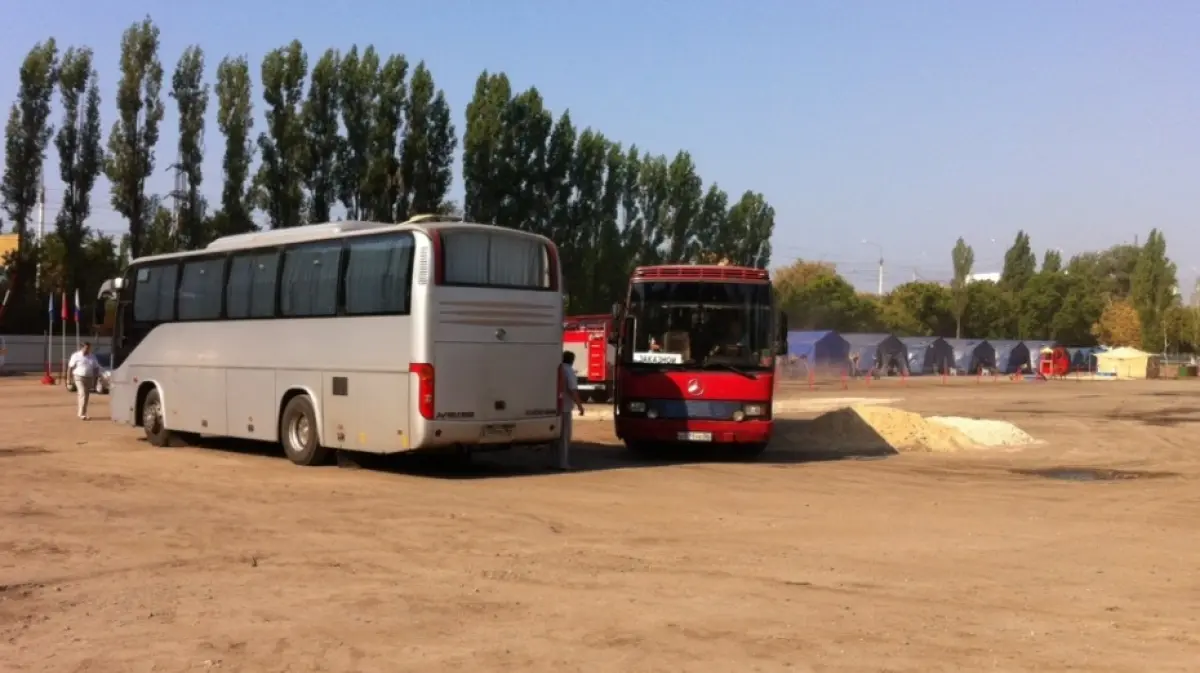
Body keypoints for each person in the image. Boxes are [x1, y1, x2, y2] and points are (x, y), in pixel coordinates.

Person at [556, 351, 585, 471]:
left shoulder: (558, 368)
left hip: (556, 406)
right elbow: (572, 390)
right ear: (572, 360)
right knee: (564, 437)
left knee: (556, 438)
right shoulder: (569, 371)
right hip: (565, 408)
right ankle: (563, 463)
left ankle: (553, 461)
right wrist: (580, 406)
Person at [67, 342, 100, 420]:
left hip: (89, 377)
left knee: (86, 396)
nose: (87, 350)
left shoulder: (92, 356)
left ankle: (82, 412)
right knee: (82, 393)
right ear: (82, 348)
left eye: (89, 348)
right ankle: (82, 414)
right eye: (86, 348)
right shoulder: (76, 356)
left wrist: (95, 379)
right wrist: (68, 379)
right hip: (78, 377)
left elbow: (96, 368)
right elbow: (70, 368)